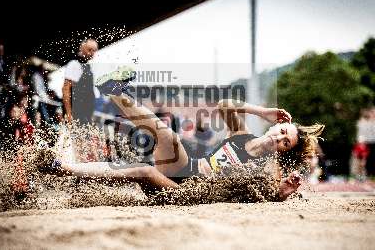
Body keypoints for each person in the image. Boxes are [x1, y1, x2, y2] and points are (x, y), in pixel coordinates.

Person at [44, 73, 324, 201]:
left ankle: (62, 169)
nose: (280, 138)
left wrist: (283, 192)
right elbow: (225, 105)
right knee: (168, 135)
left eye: (286, 142)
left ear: (283, 151)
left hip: (188, 192)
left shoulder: (267, 167)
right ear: (276, 126)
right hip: (187, 167)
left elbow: (269, 192)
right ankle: (115, 92)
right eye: (283, 132)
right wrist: (263, 111)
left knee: (143, 170)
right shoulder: (242, 136)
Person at [62, 39, 98, 124]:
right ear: (82, 48)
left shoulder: (87, 66)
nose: (92, 53)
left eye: (94, 50)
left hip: (85, 114)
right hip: (76, 113)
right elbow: (65, 89)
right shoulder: (74, 64)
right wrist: (69, 114)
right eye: (89, 49)